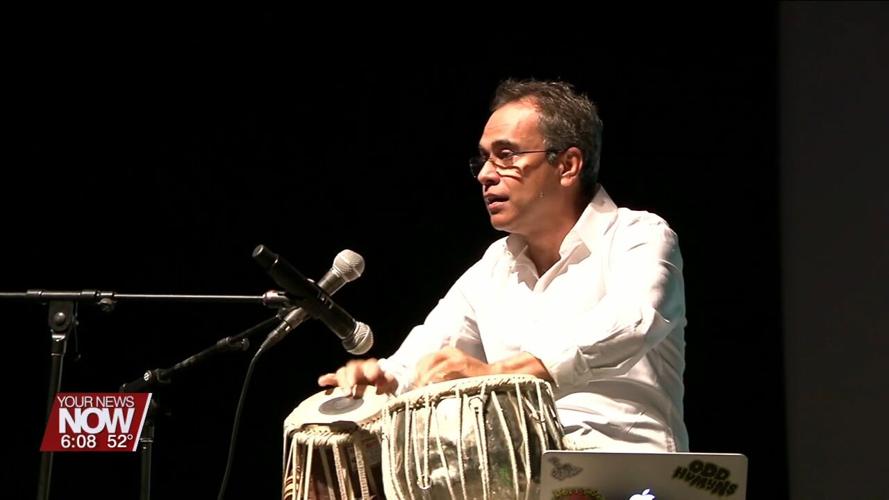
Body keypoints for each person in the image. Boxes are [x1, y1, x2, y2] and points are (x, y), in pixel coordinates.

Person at [318, 79, 688, 452]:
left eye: (506, 154)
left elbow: (633, 322)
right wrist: (381, 379)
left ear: (568, 165)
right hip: (521, 473)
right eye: (483, 158)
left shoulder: (638, 235)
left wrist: (498, 375)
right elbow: (426, 355)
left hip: (631, 474)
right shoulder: (494, 267)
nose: (484, 174)